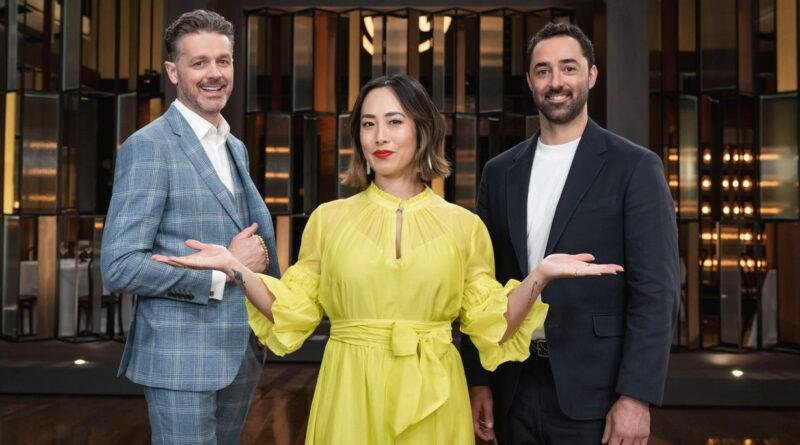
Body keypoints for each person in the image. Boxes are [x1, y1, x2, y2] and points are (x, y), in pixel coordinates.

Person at [154, 73, 622, 445]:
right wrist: (235, 269)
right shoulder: (328, 220)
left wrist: (539, 277)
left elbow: (493, 326)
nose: (380, 136)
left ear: (422, 129)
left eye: (395, 121)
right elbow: (291, 311)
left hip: (436, 394)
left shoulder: (464, 226)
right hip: (349, 393)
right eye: (368, 123)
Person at [460, 22, 680, 444]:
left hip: (597, 390)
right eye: (543, 71)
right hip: (513, 384)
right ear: (530, 81)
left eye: (568, 68)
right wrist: (479, 379)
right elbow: (480, 284)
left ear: (591, 75)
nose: (556, 82)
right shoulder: (500, 172)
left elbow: (657, 291)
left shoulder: (634, 167)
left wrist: (636, 396)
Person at [101, 10, 280, 445]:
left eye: (223, 61)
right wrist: (224, 271)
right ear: (173, 72)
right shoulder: (149, 147)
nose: (214, 73)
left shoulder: (234, 146)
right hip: (180, 359)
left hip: (240, 351)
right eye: (199, 62)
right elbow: (120, 266)